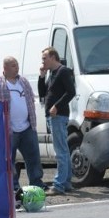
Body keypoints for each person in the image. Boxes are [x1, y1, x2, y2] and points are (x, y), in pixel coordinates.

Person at [0, 56, 46, 193]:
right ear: (5, 68)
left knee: (33, 158)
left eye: (17, 65)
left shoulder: (23, 81)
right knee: (9, 160)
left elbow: (31, 99)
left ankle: (37, 184)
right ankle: (13, 188)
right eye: (13, 65)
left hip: (27, 127)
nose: (17, 67)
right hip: (8, 129)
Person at [38, 47, 76, 196]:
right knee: (63, 149)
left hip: (58, 116)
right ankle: (66, 182)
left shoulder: (63, 71)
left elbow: (71, 92)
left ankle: (59, 184)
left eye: (44, 58)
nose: (43, 62)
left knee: (60, 151)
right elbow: (43, 93)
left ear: (53, 57)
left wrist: (57, 106)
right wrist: (41, 76)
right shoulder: (51, 73)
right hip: (52, 116)